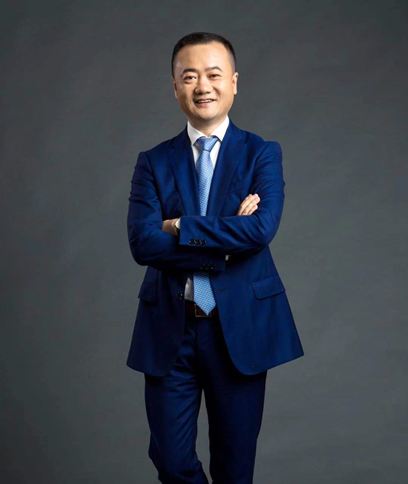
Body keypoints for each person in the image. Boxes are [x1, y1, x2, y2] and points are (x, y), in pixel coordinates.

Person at [126, 31, 304, 484]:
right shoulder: (153, 162)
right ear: (175, 87)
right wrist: (227, 237)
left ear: (234, 82)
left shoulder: (261, 153)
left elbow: (261, 230)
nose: (202, 86)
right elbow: (142, 243)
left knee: (234, 468)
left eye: (213, 74)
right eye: (189, 76)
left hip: (239, 328)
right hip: (170, 328)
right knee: (171, 462)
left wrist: (180, 226)